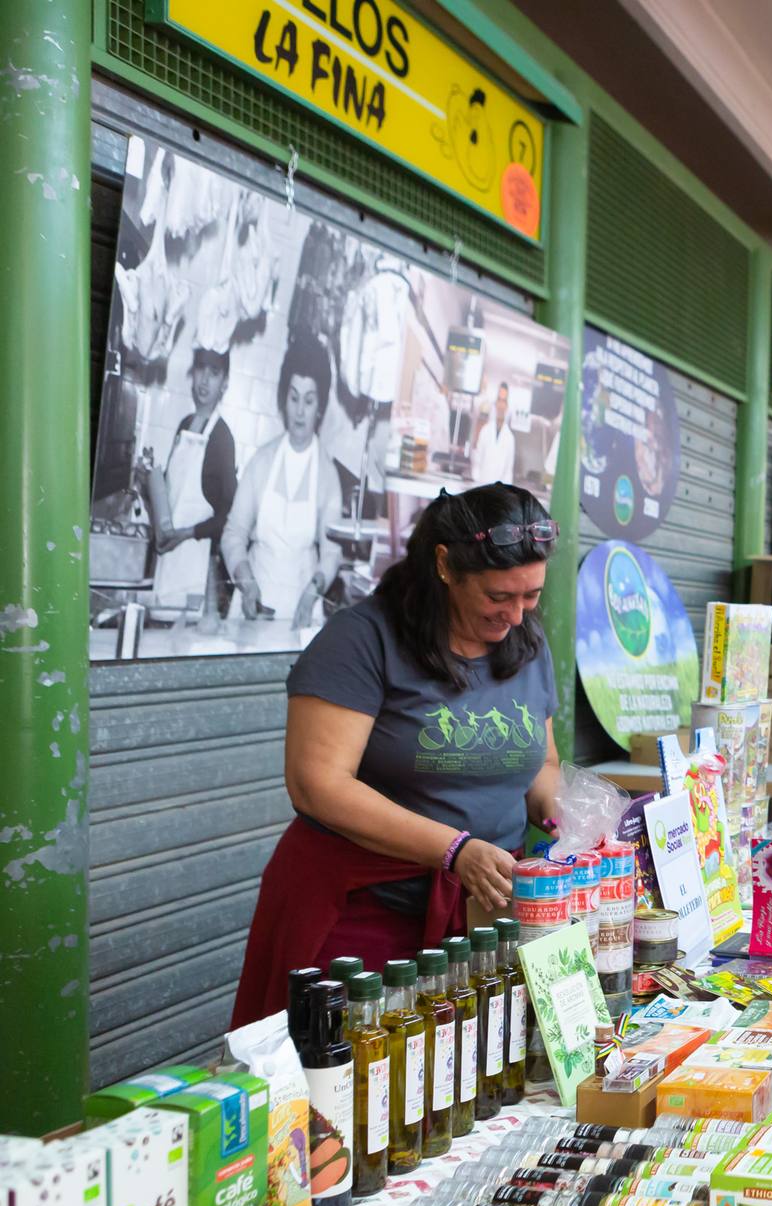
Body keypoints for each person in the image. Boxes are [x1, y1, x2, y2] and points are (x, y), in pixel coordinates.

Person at [231, 483, 561, 1024]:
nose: (517, 616)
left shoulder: (526, 644)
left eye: (531, 596)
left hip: (480, 919)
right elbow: (317, 782)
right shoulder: (363, 640)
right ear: (446, 566)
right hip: (360, 913)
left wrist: (566, 818)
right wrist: (455, 849)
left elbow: (542, 765)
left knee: (456, 1086)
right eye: (499, 597)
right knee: (349, 1080)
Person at [221, 335, 342, 629]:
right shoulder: (261, 463)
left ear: (320, 406)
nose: (300, 411)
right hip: (252, 606)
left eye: (309, 400)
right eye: (294, 397)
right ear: (283, 399)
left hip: (304, 609)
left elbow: (332, 551)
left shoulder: (328, 475)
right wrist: (247, 583)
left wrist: (313, 592)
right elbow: (233, 534)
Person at [147, 344, 238, 614]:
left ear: (225, 383)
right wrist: (150, 481)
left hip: (193, 565)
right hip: (166, 555)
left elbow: (229, 514)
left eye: (214, 373)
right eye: (200, 370)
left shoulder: (222, 438)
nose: (205, 380)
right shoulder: (185, 425)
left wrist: (186, 534)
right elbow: (172, 492)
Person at [474, 382, 517, 486]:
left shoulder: (510, 438)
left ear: (507, 406)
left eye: (504, 401)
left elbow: (508, 471)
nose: (501, 405)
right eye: (499, 400)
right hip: (481, 487)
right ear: (495, 403)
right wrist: (476, 482)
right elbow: (477, 460)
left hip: (499, 493)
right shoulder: (485, 431)